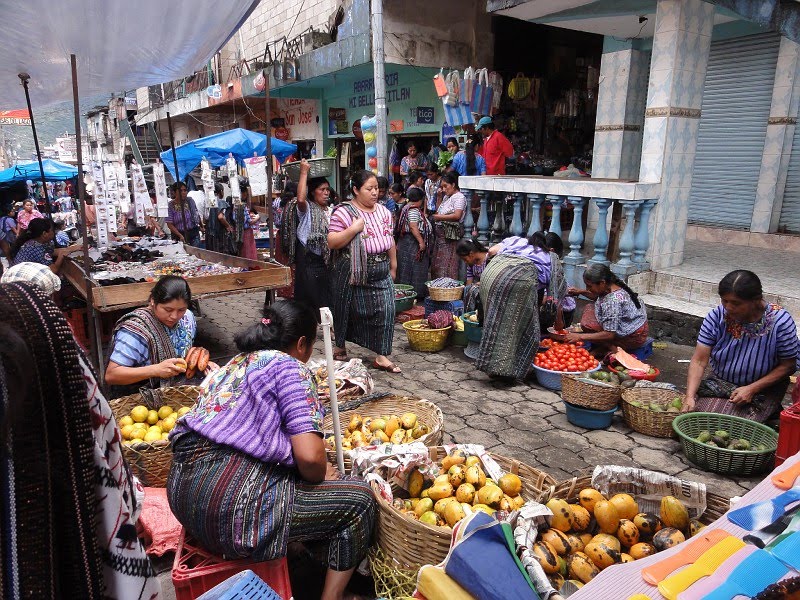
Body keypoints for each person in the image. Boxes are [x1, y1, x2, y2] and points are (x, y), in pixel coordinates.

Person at [167, 301, 376, 600]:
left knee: (288, 479)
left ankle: (297, 558)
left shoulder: (237, 362)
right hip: (227, 508)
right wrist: (323, 472)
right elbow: (309, 458)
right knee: (360, 500)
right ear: (302, 343)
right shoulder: (291, 367)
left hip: (183, 498)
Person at [0, 282, 161, 599]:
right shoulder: (36, 318)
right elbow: (105, 408)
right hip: (65, 543)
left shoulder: (33, 317)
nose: (177, 315)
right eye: (170, 309)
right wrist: (128, 502)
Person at [685, 270, 799, 422]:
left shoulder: (781, 322)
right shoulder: (716, 317)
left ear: (756, 300)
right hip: (721, 382)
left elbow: (788, 366)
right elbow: (699, 361)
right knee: (696, 418)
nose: (729, 307)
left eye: (736, 303)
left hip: (764, 387)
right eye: (724, 301)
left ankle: (771, 411)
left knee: (730, 425)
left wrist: (752, 389)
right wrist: (689, 396)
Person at [328, 170, 400, 373]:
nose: (375, 192)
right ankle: (340, 346)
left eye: (376, 188)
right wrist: (353, 229)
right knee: (346, 308)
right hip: (352, 270)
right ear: (355, 190)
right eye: (369, 189)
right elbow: (332, 242)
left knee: (387, 309)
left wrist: (393, 266)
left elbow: (390, 240)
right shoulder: (343, 212)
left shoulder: (385, 212)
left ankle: (382, 355)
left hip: (381, 268)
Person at [105, 276, 215, 396]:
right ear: (153, 301)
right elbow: (111, 375)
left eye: (181, 310)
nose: (174, 316)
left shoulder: (187, 317)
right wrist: (155, 370)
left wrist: (201, 365)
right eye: (168, 309)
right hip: (140, 396)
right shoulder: (135, 331)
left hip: (175, 390)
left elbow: (183, 355)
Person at [476, 233, 552, 380]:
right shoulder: (549, 257)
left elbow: (491, 251)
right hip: (517, 280)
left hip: (490, 275)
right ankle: (509, 372)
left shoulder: (515, 240)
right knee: (520, 328)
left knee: (494, 323)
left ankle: (490, 367)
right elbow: (553, 292)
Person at [280, 159, 333, 316]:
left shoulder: (330, 210)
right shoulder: (307, 209)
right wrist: (303, 172)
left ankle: (326, 328)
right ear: (312, 192)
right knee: (307, 300)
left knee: (325, 299)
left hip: (324, 262)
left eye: (328, 190)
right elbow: (301, 199)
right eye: (322, 189)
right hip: (308, 260)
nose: (326, 192)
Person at [565, 264, 649, 352]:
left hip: (633, 338)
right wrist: (580, 292)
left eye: (589, 286)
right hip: (638, 326)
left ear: (602, 283)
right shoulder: (614, 283)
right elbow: (597, 297)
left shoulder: (612, 301)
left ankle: (611, 347)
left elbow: (609, 334)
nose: (587, 289)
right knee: (589, 308)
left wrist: (580, 336)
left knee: (587, 324)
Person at [395, 187, 432, 299]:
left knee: (407, 268)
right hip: (412, 243)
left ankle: (408, 294)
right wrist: (421, 242)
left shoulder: (406, 208)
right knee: (414, 268)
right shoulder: (413, 210)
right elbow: (413, 226)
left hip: (407, 242)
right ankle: (415, 294)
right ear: (420, 199)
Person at [10, 217, 81, 272]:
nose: (54, 232)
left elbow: (52, 251)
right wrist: (60, 257)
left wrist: (73, 248)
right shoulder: (36, 248)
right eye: (52, 231)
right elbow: (52, 270)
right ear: (44, 234)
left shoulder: (36, 242)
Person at [430, 172, 466, 280]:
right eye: (442, 187)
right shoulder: (447, 197)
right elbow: (438, 211)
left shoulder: (459, 197)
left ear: (453, 184)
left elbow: (457, 215)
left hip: (449, 235)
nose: (444, 189)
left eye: (446, 186)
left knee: (446, 263)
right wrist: (439, 197)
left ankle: (448, 288)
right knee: (437, 263)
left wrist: (440, 218)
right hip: (440, 235)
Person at [456, 238, 489, 314]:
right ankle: (467, 315)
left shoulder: (489, 259)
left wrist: (480, 283)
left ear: (471, 254)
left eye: (465, 259)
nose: (465, 262)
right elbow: (469, 281)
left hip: (488, 287)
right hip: (479, 286)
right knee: (467, 288)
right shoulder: (471, 264)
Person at [166, 181, 202, 246]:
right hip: (178, 235)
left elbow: (196, 214)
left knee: (195, 254)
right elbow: (169, 224)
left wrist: (201, 226)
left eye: (185, 190)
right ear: (174, 192)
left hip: (193, 233)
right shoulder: (170, 205)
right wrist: (180, 235)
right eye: (180, 191)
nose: (183, 193)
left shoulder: (190, 201)